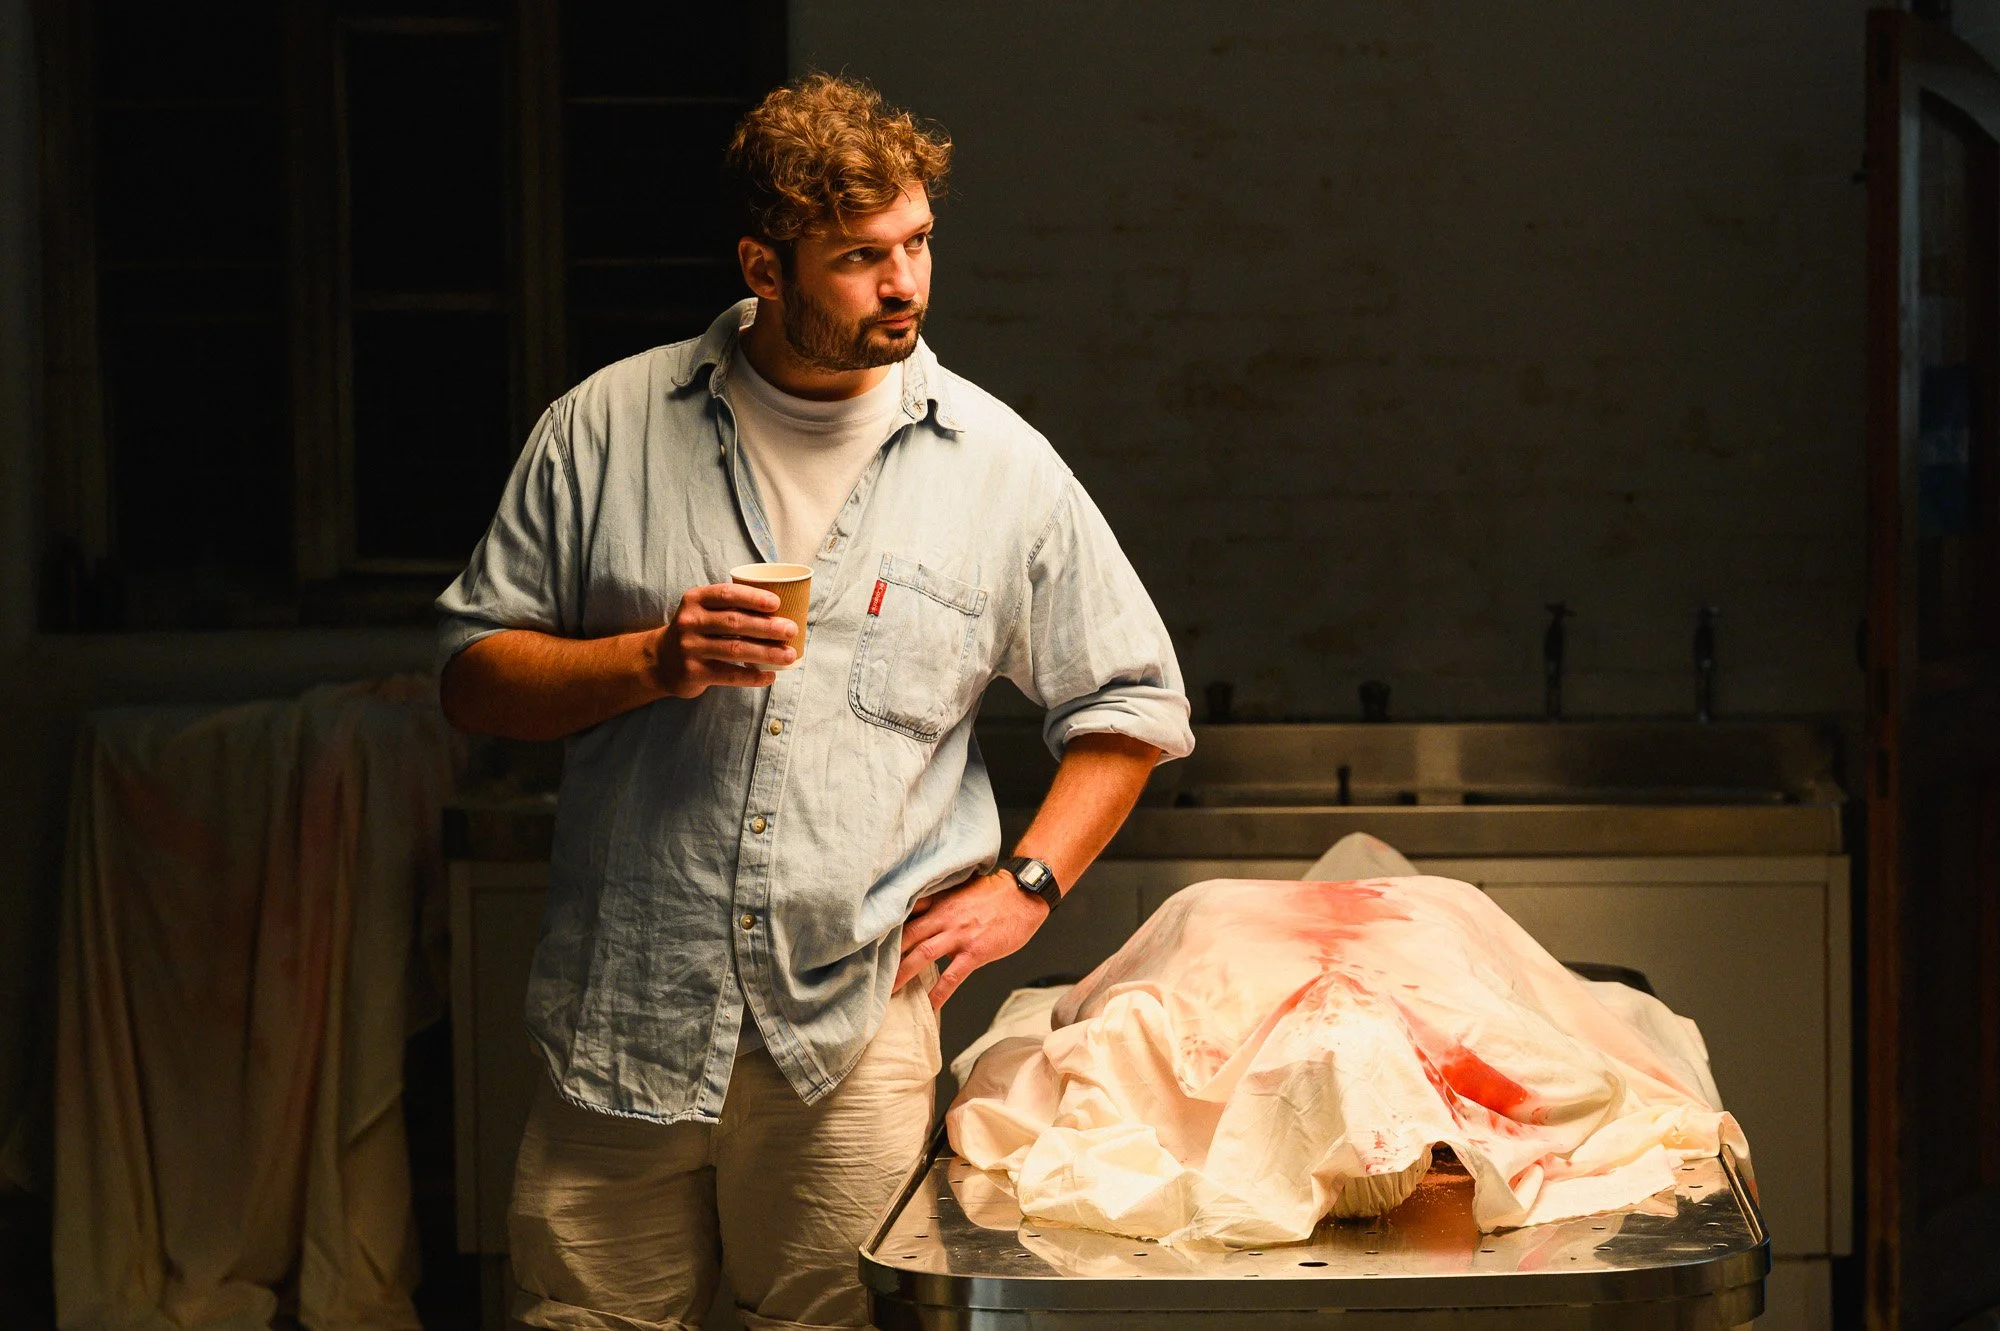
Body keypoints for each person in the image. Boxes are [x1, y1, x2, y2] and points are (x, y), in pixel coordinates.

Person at [435, 72, 1193, 1331]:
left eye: (917, 246)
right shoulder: (604, 427)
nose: (904, 284)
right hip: (626, 1020)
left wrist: (1028, 886)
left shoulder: (999, 467)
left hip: (849, 1032)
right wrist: (651, 661)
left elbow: (1130, 703)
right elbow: (470, 674)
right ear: (764, 264)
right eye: (858, 258)